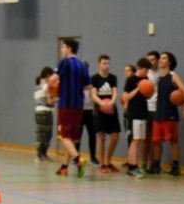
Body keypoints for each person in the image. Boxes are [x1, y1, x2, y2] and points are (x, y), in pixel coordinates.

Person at [47, 38, 90, 178]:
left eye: (63, 47)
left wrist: (49, 88)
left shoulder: (65, 62)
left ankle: (78, 160)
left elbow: (52, 80)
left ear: (69, 48)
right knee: (72, 138)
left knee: (64, 135)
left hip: (66, 105)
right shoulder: (82, 65)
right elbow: (88, 85)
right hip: (79, 105)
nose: (62, 50)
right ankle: (64, 167)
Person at [150, 51, 184, 176]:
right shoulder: (159, 78)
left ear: (169, 62)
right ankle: (156, 165)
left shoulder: (173, 76)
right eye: (161, 58)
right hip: (159, 112)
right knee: (156, 141)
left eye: (163, 58)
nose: (161, 60)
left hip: (170, 113)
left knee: (172, 141)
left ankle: (175, 166)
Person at [120, 58, 150, 179]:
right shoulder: (131, 79)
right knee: (135, 140)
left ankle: (135, 165)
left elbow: (147, 96)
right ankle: (132, 166)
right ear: (140, 68)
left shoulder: (146, 79)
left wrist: (149, 91)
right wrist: (139, 88)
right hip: (133, 114)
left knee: (140, 140)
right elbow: (127, 97)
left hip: (143, 112)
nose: (146, 73)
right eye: (146, 70)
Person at [91, 54, 121, 174]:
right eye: (104, 63)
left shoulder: (113, 77)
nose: (107, 65)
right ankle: (102, 164)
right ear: (99, 64)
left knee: (115, 136)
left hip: (111, 109)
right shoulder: (94, 78)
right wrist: (102, 104)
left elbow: (114, 92)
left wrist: (112, 102)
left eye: (108, 63)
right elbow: (93, 95)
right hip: (100, 110)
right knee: (101, 136)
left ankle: (108, 161)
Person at [33, 67, 55, 163]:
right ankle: (39, 155)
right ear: (48, 75)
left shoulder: (38, 85)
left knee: (43, 134)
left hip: (38, 112)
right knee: (45, 135)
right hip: (45, 112)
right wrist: (58, 99)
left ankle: (42, 154)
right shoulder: (46, 86)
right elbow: (50, 101)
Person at [144, 50, 161, 173]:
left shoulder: (163, 73)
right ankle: (143, 164)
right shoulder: (146, 74)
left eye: (152, 59)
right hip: (146, 108)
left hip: (158, 109)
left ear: (158, 60)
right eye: (148, 60)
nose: (150, 62)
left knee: (156, 139)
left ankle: (155, 164)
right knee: (145, 138)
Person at [122, 64, 135, 150]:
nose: (126, 73)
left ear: (133, 72)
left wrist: (126, 104)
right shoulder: (127, 83)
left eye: (128, 70)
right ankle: (130, 158)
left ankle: (133, 159)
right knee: (128, 135)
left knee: (134, 136)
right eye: (125, 71)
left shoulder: (135, 83)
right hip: (127, 114)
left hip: (134, 113)